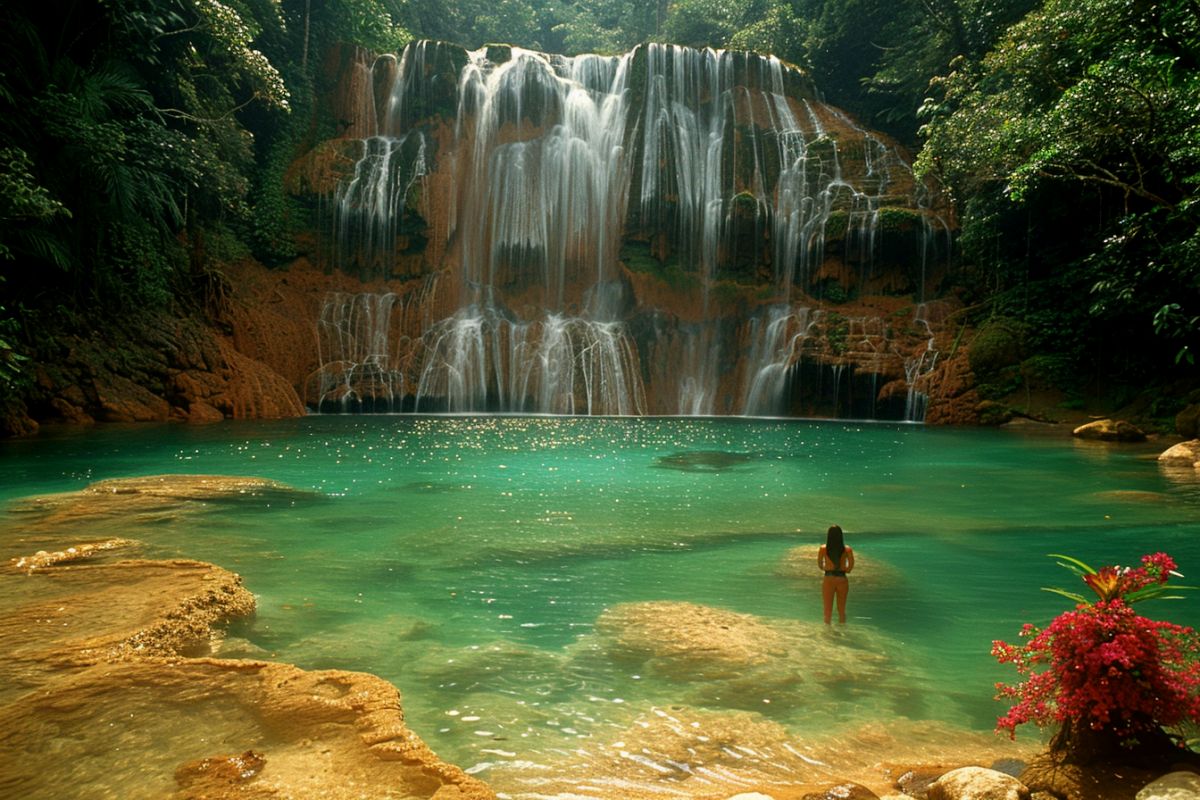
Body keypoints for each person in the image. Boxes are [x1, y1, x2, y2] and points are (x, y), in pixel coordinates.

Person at [817, 524, 854, 624]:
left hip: (829, 578)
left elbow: (820, 565)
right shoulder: (847, 550)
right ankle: (842, 631)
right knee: (841, 610)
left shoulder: (823, 549)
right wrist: (844, 570)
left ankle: (827, 634)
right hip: (842, 579)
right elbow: (850, 567)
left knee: (827, 610)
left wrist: (827, 568)